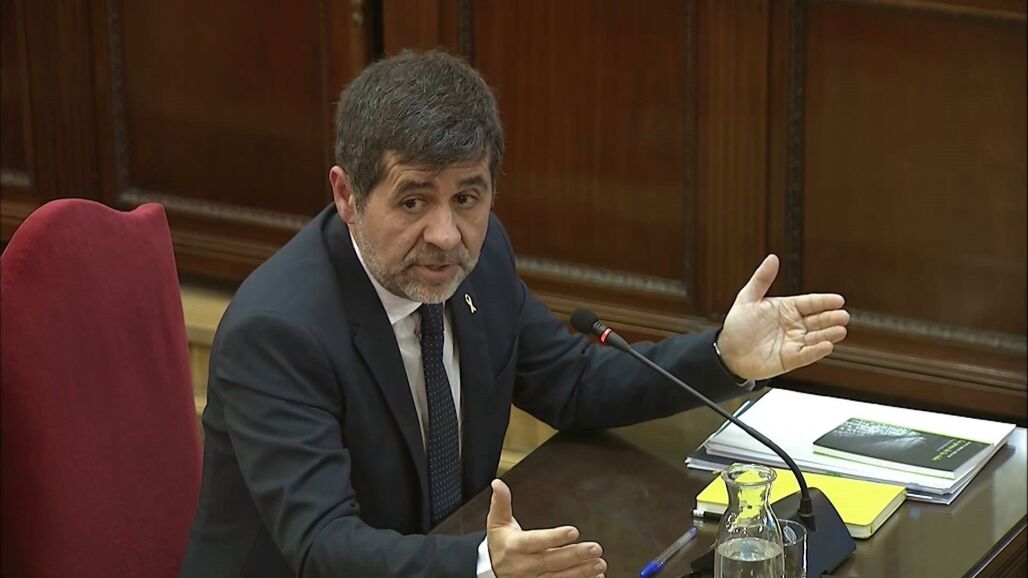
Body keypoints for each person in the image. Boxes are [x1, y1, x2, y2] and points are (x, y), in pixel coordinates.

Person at [179, 50, 849, 578]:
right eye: (413, 202)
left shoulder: (482, 257)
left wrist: (722, 355)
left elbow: (572, 383)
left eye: (467, 198)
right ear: (347, 195)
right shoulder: (279, 332)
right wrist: (483, 564)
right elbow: (323, 546)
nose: (446, 234)